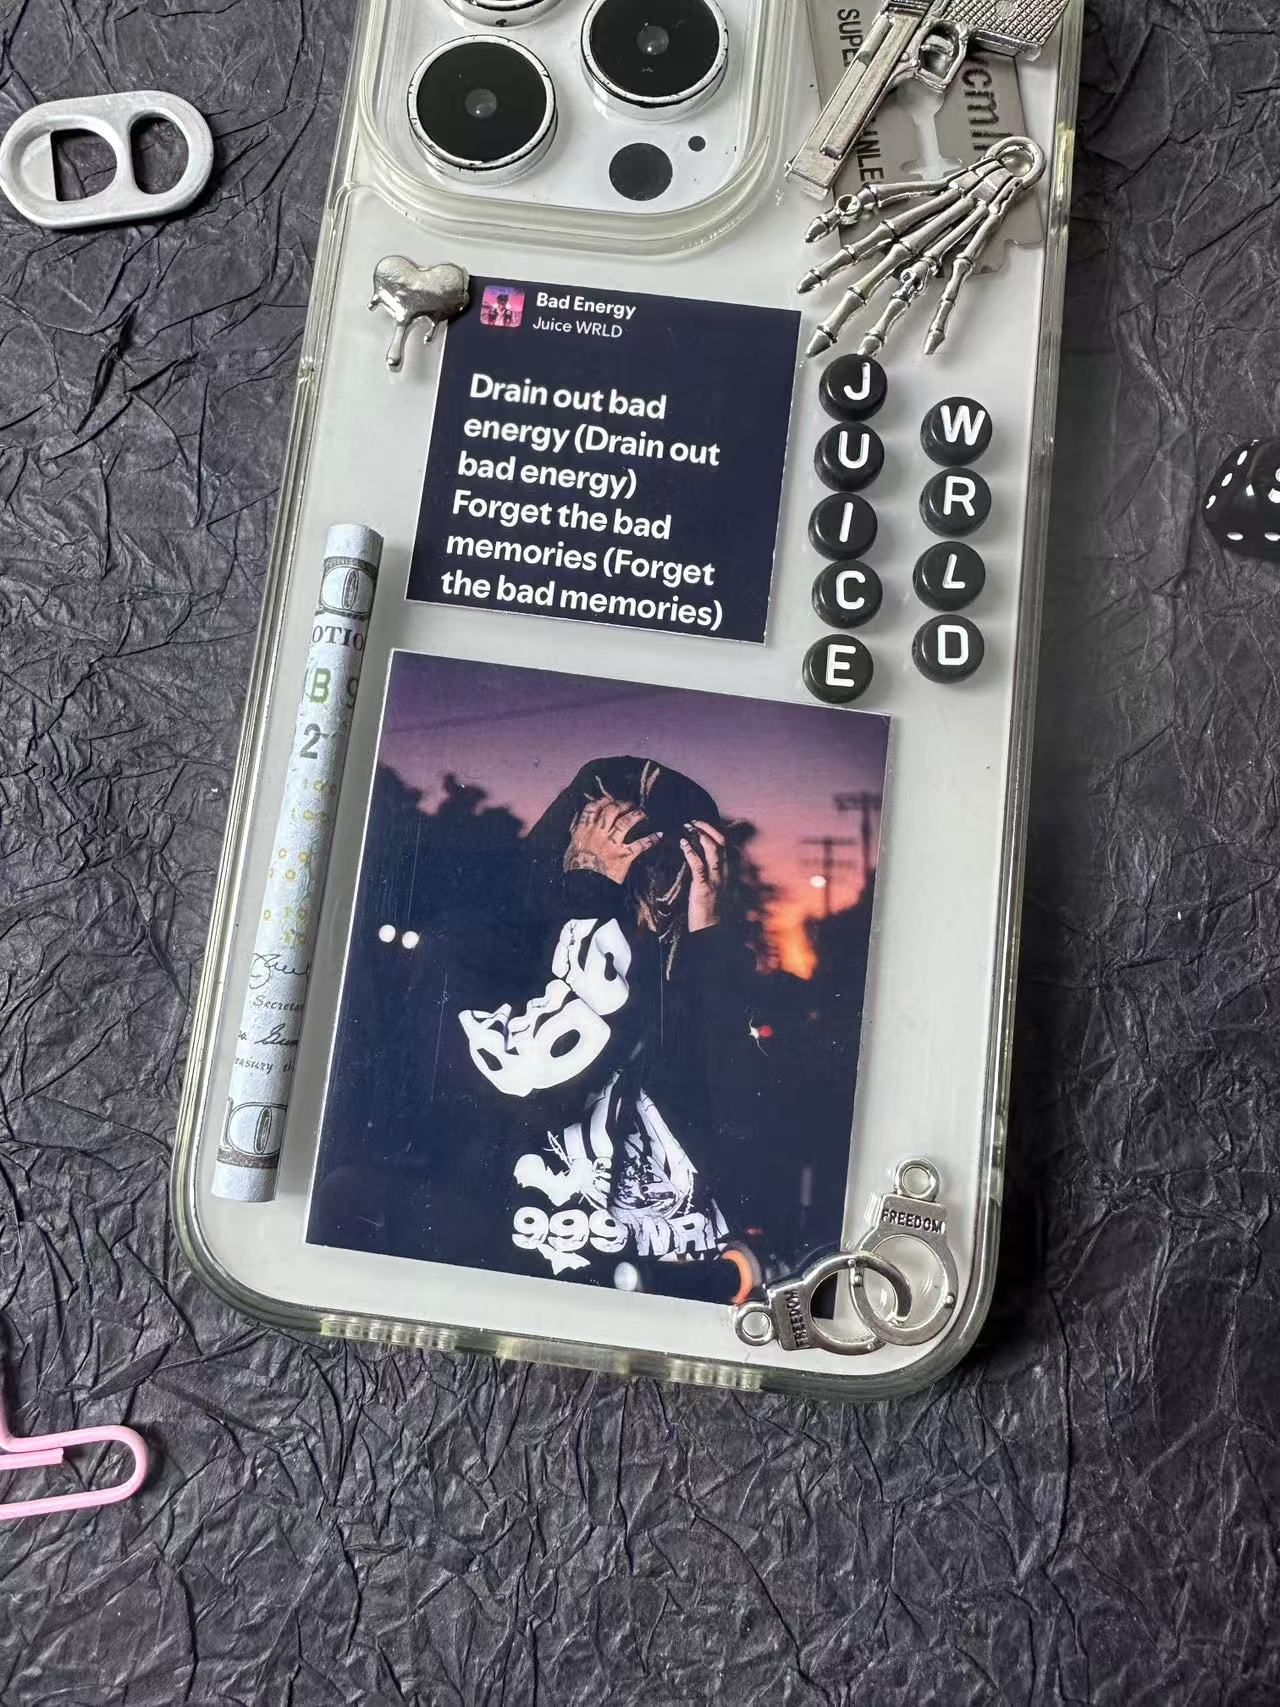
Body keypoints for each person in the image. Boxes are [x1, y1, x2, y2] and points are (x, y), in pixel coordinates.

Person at [455, 757, 759, 1294]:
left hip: (668, 1280)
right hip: (523, 1276)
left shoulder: (677, 970)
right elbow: (536, 1077)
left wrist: (710, 933)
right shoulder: (488, 944)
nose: (651, 876)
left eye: (672, 860)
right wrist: (586, 894)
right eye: (614, 840)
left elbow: (729, 1104)